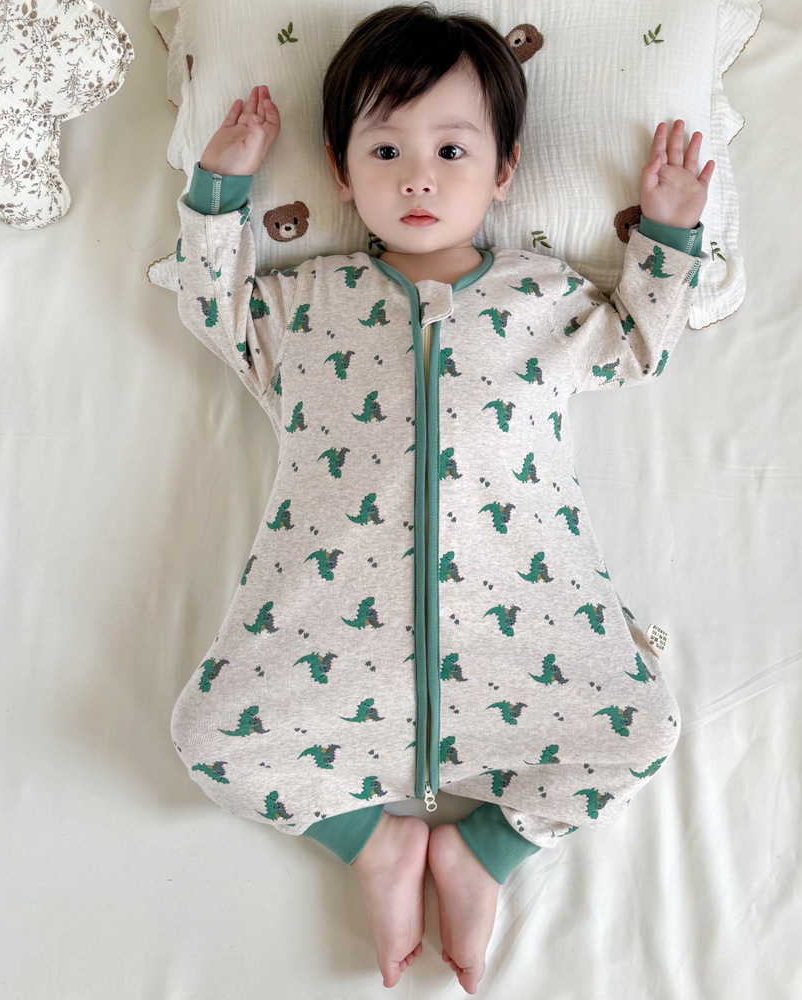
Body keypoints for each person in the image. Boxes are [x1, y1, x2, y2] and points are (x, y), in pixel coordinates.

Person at [169, 3, 712, 993]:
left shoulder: (543, 297)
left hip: (525, 632)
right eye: (385, 149)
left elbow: (639, 344)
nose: (417, 176)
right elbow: (214, 308)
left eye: (452, 150)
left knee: (643, 731)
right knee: (209, 739)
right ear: (340, 172)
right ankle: (374, 844)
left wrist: (668, 233)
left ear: (505, 171)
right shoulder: (308, 305)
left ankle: (483, 852)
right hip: (330, 636)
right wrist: (220, 190)